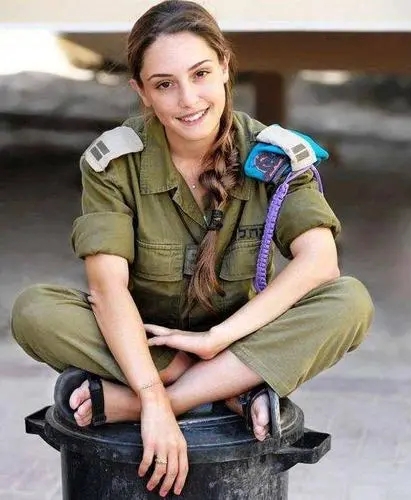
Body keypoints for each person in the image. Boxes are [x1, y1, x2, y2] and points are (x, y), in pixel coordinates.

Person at [11, 0, 374, 497]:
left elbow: (319, 261)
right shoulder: (115, 162)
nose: (188, 99)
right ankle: (229, 388)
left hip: (239, 338)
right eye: (164, 84)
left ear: (224, 66)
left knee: (350, 301)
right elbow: (107, 287)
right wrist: (152, 390)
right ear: (142, 92)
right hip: (147, 343)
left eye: (200, 74)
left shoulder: (273, 154)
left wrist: (205, 352)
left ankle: (187, 388)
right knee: (35, 311)